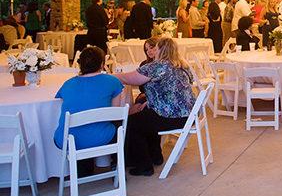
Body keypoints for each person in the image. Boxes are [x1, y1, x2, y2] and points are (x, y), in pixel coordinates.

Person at [116, 37, 195, 176]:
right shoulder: (181, 64)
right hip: (188, 115)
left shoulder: (158, 66)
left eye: (155, 48)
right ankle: (155, 156)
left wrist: (108, 76)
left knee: (132, 123)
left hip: (172, 115)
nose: (152, 51)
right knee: (148, 114)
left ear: (161, 50)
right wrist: (151, 102)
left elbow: (127, 79)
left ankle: (144, 166)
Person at [54, 47, 123, 177]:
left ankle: (83, 168)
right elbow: (115, 113)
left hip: (68, 140)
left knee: (79, 128)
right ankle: (116, 165)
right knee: (120, 125)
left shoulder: (67, 84)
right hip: (100, 137)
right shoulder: (112, 81)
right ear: (102, 64)